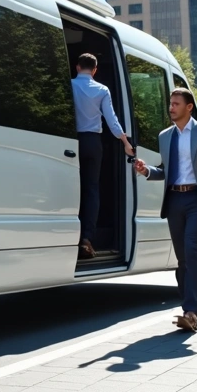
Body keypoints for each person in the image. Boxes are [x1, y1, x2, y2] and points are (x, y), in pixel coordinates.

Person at [132, 88, 197, 332]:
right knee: (182, 258)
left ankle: (191, 311)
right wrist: (146, 171)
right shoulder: (165, 136)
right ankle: (187, 306)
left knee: (192, 248)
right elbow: (165, 170)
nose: (171, 107)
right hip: (175, 200)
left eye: (176, 104)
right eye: (170, 103)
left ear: (189, 107)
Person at [71, 53, 135, 259]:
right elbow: (111, 119)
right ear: (95, 70)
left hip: (70, 140)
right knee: (91, 189)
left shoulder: (69, 85)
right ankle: (86, 238)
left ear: (77, 67)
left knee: (71, 186)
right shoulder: (102, 90)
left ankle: (68, 234)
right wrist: (125, 142)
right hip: (92, 143)